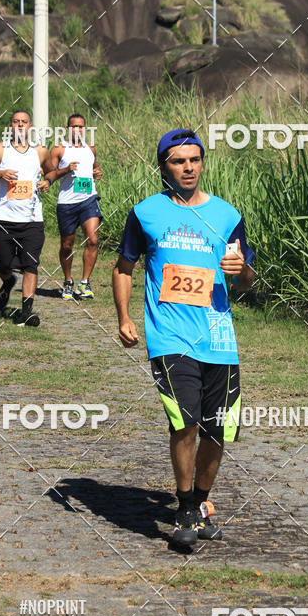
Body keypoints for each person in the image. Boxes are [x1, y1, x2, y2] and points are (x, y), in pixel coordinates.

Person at [112, 129, 256, 547]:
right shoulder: (146, 213)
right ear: (164, 168)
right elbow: (123, 267)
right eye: (178, 161)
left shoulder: (227, 215)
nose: (188, 167)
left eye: (194, 160)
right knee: (186, 421)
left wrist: (241, 273)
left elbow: (247, 278)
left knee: (218, 429)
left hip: (219, 338)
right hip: (169, 336)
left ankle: (202, 500)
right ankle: (185, 505)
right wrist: (123, 317)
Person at [0, 110, 58, 326]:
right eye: (16, 122)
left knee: (30, 264)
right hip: (2, 219)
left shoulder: (40, 151)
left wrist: (48, 182)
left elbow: (51, 171)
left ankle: (26, 312)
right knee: (4, 264)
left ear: (29, 126)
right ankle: (8, 281)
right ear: (10, 126)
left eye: (24, 122)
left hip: (32, 220)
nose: (20, 125)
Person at [49, 113, 102, 300]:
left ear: (84, 129)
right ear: (67, 129)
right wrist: (65, 170)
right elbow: (50, 174)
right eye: (74, 127)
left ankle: (84, 283)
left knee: (93, 240)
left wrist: (96, 172)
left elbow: (94, 167)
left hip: (88, 200)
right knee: (67, 245)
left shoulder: (90, 149)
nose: (77, 130)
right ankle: (68, 281)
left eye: (81, 126)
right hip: (67, 203)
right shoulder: (59, 149)